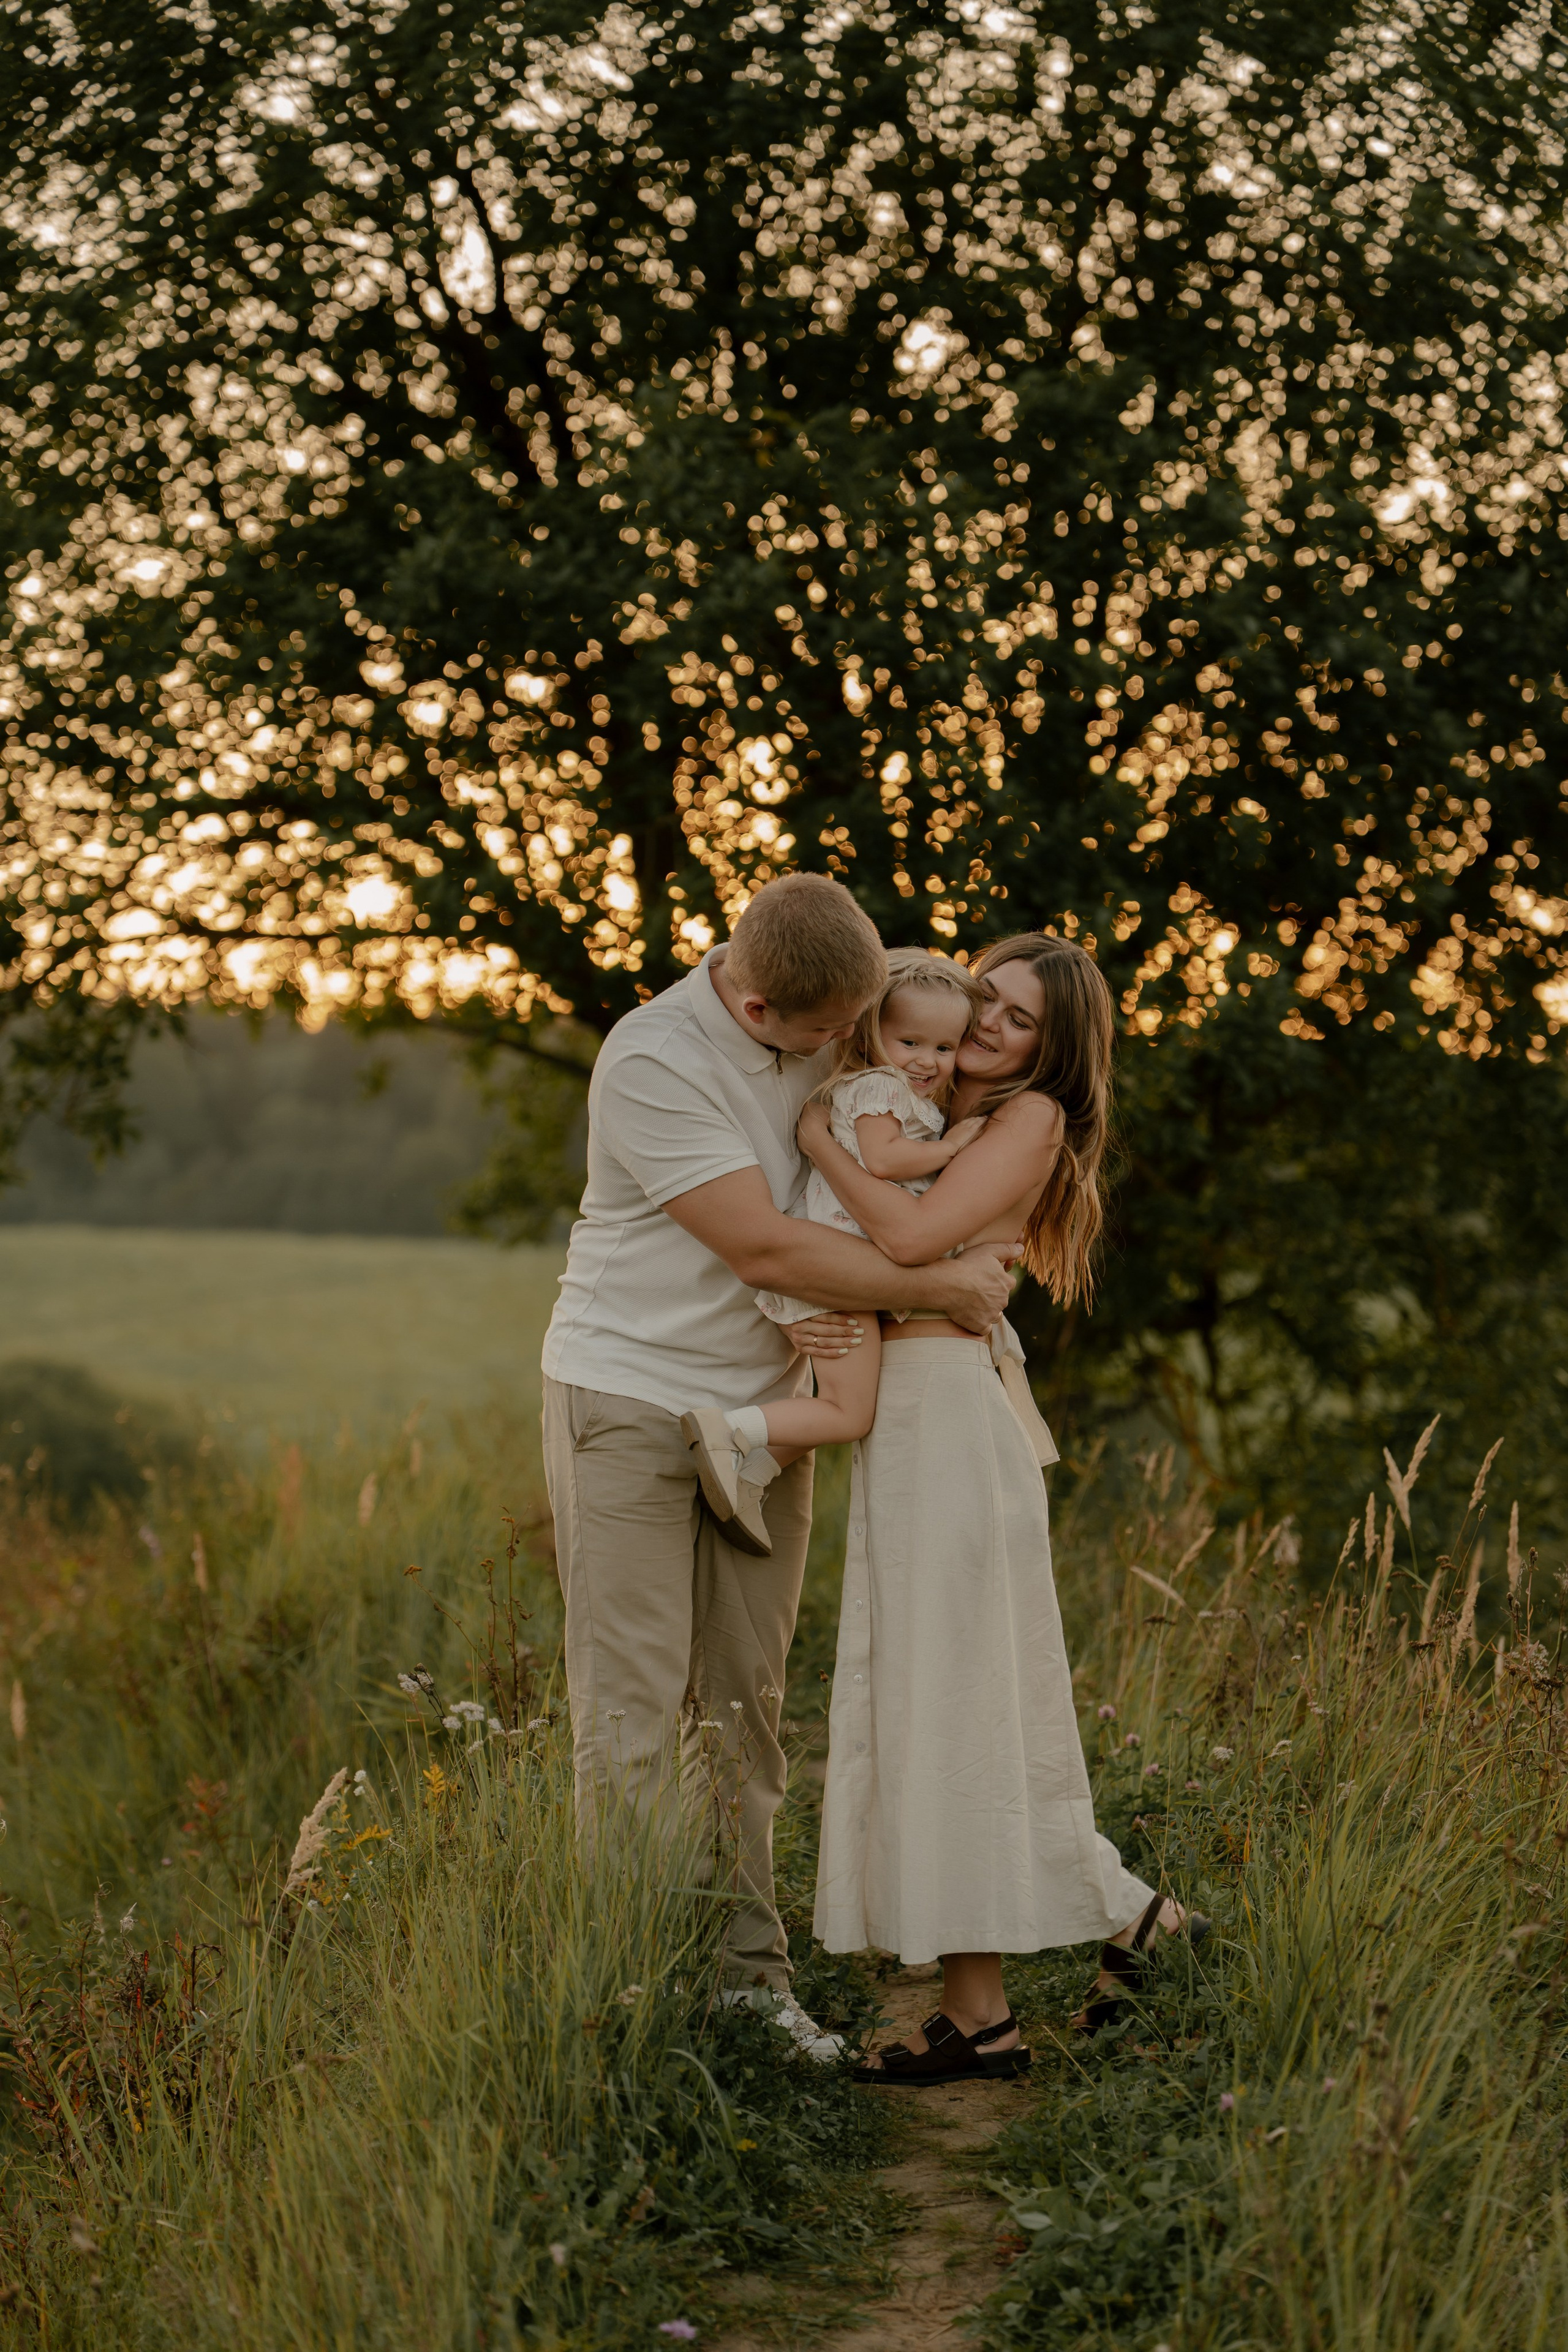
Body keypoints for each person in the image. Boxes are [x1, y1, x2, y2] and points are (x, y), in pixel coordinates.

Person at [539, 874, 1017, 2060]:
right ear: (755, 1004)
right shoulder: (652, 1060)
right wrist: (938, 1288)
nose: (838, 1053)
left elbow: (926, 1046)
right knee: (636, 1719)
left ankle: (750, 1990)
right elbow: (759, 1239)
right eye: (818, 1036)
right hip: (630, 1402)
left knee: (746, 1715)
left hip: (761, 1412)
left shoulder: (834, 1016)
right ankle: (636, 2003)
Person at [799, 933, 1208, 2082]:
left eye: (1019, 1020)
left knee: (957, 1701)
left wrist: (819, 1140)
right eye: (986, 1000)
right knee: (941, 1706)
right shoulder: (925, 1116)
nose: (988, 1027)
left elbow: (914, 1238)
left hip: (952, 1423)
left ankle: (1098, 1951)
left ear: (1053, 1047)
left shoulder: (1027, 1121)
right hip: (917, 1418)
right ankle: (999, 2005)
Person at [679, 949, 988, 1507]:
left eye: (945, 1047)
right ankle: (729, 1431)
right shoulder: (880, 1090)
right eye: (911, 1043)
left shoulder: (897, 1091)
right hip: (837, 1267)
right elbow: (886, 1161)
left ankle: (748, 1477)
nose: (928, 1061)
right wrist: (953, 1147)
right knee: (850, 1412)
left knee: (851, 1399)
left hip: (846, 1268)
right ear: (871, 1036)